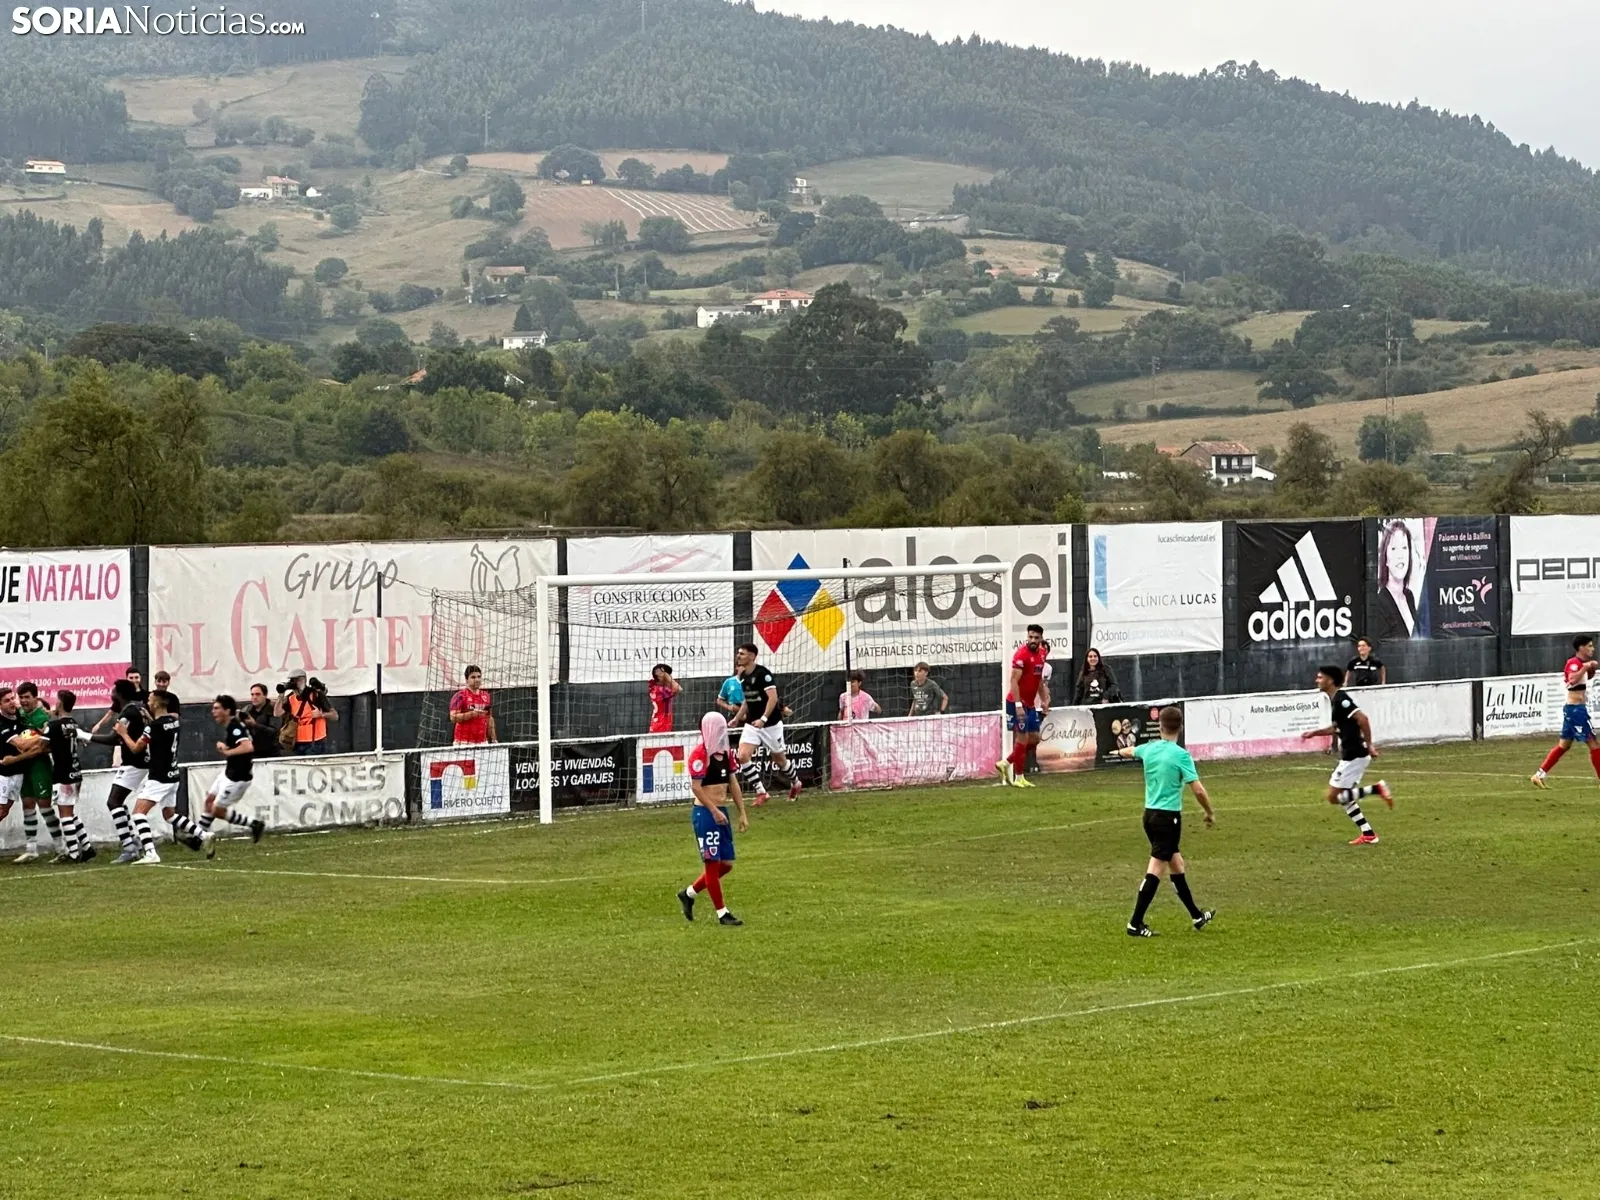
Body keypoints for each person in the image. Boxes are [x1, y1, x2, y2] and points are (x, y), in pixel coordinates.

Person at [1118, 705, 1215, 937]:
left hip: (1149, 816)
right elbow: (1198, 790)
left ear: (1159, 727)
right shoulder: (1181, 756)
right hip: (1167, 818)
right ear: (1180, 728)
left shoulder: (1149, 749)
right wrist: (1209, 812)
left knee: (1177, 864)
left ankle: (1197, 916)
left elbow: (1130, 751)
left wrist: (1118, 752)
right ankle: (1134, 923)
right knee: (1156, 867)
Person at [1302, 665, 1393, 845]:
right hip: (1352, 754)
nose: (1317, 680)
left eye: (1320, 677)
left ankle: (1377, 789)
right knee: (1344, 797)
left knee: (1333, 797)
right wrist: (1314, 733)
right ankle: (1368, 834)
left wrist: (1370, 744)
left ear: (1330, 680)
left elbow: (1363, 719)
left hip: (1355, 755)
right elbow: (1337, 727)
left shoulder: (1342, 699)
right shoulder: (1335, 700)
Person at [677, 711, 749, 927]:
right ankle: (722, 913)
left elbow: (733, 783)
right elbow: (696, 788)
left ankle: (689, 893)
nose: (721, 732)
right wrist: (714, 811)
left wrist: (742, 812)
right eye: (718, 729)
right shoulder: (700, 754)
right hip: (705, 814)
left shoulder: (726, 754)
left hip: (721, 812)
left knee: (726, 864)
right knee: (712, 863)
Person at [124, 690, 205, 864]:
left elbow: (136, 748)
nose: (147, 702)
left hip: (159, 776)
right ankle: (203, 835)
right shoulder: (174, 722)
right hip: (173, 775)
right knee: (169, 815)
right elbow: (161, 729)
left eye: (150, 699)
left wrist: (123, 733)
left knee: (138, 813)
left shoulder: (153, 727)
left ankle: (150, 853)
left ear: (156, 703)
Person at [733, 643, 802, 803]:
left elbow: (773, 698)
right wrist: (737, 718)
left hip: (770, 724)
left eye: (742, 654)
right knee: (742, 756)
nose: (738, 656)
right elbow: (747, 700)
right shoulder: (743, 676)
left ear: (752, 656)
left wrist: (763, 719)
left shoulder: (763, 674)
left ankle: (796, 782)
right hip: (752, 723)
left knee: (779, 760)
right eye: (738, 653)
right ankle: (761, 792)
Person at [1532, 634, 1600, 789]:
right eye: (1589, 646)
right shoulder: (1574, 663)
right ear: (1581, 648)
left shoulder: (1580, 664)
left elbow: (1583, 679)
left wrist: (1590, 669)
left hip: (1573, 710)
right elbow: (1572, 680)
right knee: (1594, 744)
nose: (1592, 649)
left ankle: (1539, 775)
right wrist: (1586, 667)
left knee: (1564, 745)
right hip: (1576, 711)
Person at [200, 694, 266, 855]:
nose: (213, 712)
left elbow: (248, 747)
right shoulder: (232, 725)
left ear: (227, 710)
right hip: (229, 772)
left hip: (238, 777)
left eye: (217, 708)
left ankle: (254, 824)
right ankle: (198, 836)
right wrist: (227, 748)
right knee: (209, 801)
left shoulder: (235, 727)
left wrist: (228, 752)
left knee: (217, 810)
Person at [10, 682, 63, 863]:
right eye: (21, 697)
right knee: (27, 804)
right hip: (24, 766)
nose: (23, 701)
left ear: (35, 697)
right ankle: (31, 849)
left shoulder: (42, 717)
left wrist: (33, 746)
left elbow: (47, 745)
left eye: (27, 697)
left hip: (40, 766)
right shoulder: (20, 715)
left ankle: (60, 847)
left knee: (45, 805)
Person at [44, 691, 92, 863]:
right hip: (76, 771)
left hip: (63, 773)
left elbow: (40, 743)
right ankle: (87, 847)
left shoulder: (54, 726)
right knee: (70, 813)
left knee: (65, 815)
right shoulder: (73, 723)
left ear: (59, 704)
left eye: (56, 700)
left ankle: (73, 852)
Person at [998, 624, 1048, 789]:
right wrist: (1018, 705)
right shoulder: (1021, 655)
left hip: (1030, 704)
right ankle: (1019, 777)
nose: (1032, 640)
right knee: (1022, 738)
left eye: (1036, 638)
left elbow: (1039, 680)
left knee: (1035, 738)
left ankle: (1006, 762)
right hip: (1016, 702)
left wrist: (1044, 699)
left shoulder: (1042, 654)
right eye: (1030, 637)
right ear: (1027, 637)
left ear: (1041, 639)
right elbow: (1013, 681)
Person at [1374, 520, 1422, 641]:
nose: (1400, 555)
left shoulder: (1409, 596)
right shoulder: (1379, 603)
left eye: (1404, 547)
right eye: (1394, 548)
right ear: (1385, 558)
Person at [278, 670, 338, 755]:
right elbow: (277, 713)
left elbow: (335, 716)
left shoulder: (316, 694)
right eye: (292, 680)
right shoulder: (291, 698)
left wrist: (321, 714)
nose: (293, 683)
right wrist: (281, 695)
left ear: (303, 680)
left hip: (316, 741)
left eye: (296, 680)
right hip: (298, 742)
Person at [449, 665, 495, 745]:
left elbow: (489, 718)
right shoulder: (460, 696)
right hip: (463, 742)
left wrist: (493, 739)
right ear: (466, 680)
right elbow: (453, 717)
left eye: (479, 677)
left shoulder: (486, 696)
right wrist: (472, 714)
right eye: (473, 677)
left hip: (482, 742)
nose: (477, 680)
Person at [241, 683, 281, 758]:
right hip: (252, 752)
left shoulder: (273, 709)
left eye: (258, 694)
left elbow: (274, 731)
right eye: (252, 694)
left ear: (265, 695)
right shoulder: (247, 710)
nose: (254, 697)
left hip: (270, 753)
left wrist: (255, 725)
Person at [647, 664, 681, 734]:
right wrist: (665, 675)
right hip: (661, 724)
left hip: (658, 722)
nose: (670, 677)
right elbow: (678, 689)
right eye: (668, 675)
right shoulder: (661, 690)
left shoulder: (654, 688)